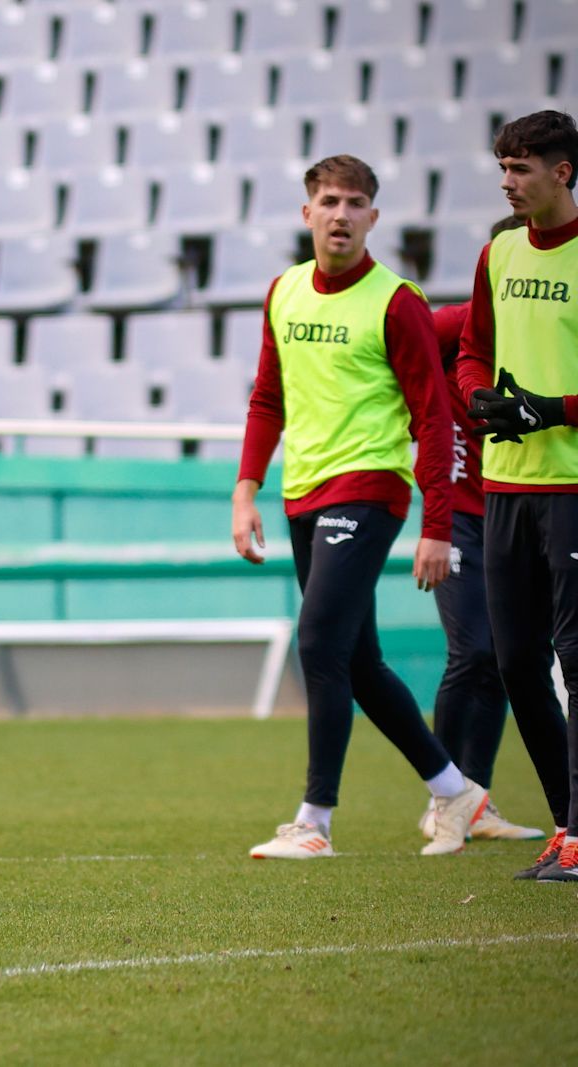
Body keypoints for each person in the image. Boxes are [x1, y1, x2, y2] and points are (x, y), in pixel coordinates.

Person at [231, 154, 486, 860]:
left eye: (355, 202)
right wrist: (245, 487)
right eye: (329, 201)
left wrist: (437, 526)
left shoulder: (396, 301)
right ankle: (454, 787)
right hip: (301, 493)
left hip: (370, 487)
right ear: (306, 213)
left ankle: (315, 820)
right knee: (360, 659)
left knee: (316, 641)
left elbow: (434, 417)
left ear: (374, 216)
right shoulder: (283, 292)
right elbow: (267, 397)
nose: (341, 214)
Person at [457, 109, 578, 883]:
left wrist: (552, 409)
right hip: (506, 486)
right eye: (503, 165)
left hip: (571, 483)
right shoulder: (498, 251)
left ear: (563, 172)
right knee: (516, 662)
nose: (508, 180)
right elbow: (473, 348)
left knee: (576, 654)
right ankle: (569, 826)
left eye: (523, 166)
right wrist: (479, 399)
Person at [418, 215, 542, 845]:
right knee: (471, 653)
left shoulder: (546, 327)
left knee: (499, 661)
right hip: (459, 517)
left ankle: (477, 800)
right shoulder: (457, 323)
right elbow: (398, 350)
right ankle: (444, 800)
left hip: (512, 507)